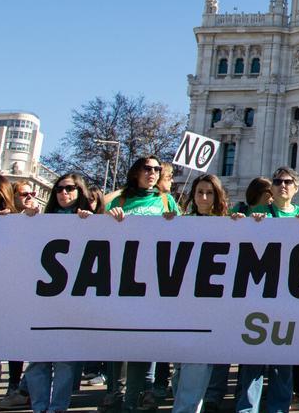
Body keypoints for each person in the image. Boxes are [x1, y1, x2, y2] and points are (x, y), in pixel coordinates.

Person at [101, 157, 179, 413]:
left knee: (143, 340)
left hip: (154, 279)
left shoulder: (167, 201)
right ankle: (116, 390)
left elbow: (184, 236)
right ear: (136, 172)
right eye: (147, 169)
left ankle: (138, 395)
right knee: (118, 340)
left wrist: (173, 222)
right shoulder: (121, 200)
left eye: (158, 169)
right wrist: (110, 214)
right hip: (122, 278)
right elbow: (100, 215)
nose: (154, 173)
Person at [236, 168, 299, 413]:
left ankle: (279, 407)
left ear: (296, 188)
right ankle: (247, 408)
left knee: (283, 362)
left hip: (289, 297)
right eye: (277, 182)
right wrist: (238, 223)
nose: (282, 186)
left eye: (288, 182)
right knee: (253, 360)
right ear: (271, 188)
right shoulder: (256, 213)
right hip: (260, 294)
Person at [24, 173, 93, 413]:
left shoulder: (92, 221)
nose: (64, 193)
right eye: (60, 189)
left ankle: (57, 407)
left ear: (80, 191)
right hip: (42, 301)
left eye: (71, 188)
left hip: (73, 302)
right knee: (37, 360)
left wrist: (92, 222)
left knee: (64, 361)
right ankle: (39, 406)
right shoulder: (42, 220)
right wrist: (27, 218)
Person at [173, 175, 232, 413]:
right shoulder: (180, 223)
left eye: (209, 193)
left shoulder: (228, 225)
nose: (204, 197)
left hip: (208, 306)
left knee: (196, 363)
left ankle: (186, 409)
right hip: (180, 303)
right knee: (180, 367)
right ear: (193, 195)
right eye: (199, 192)